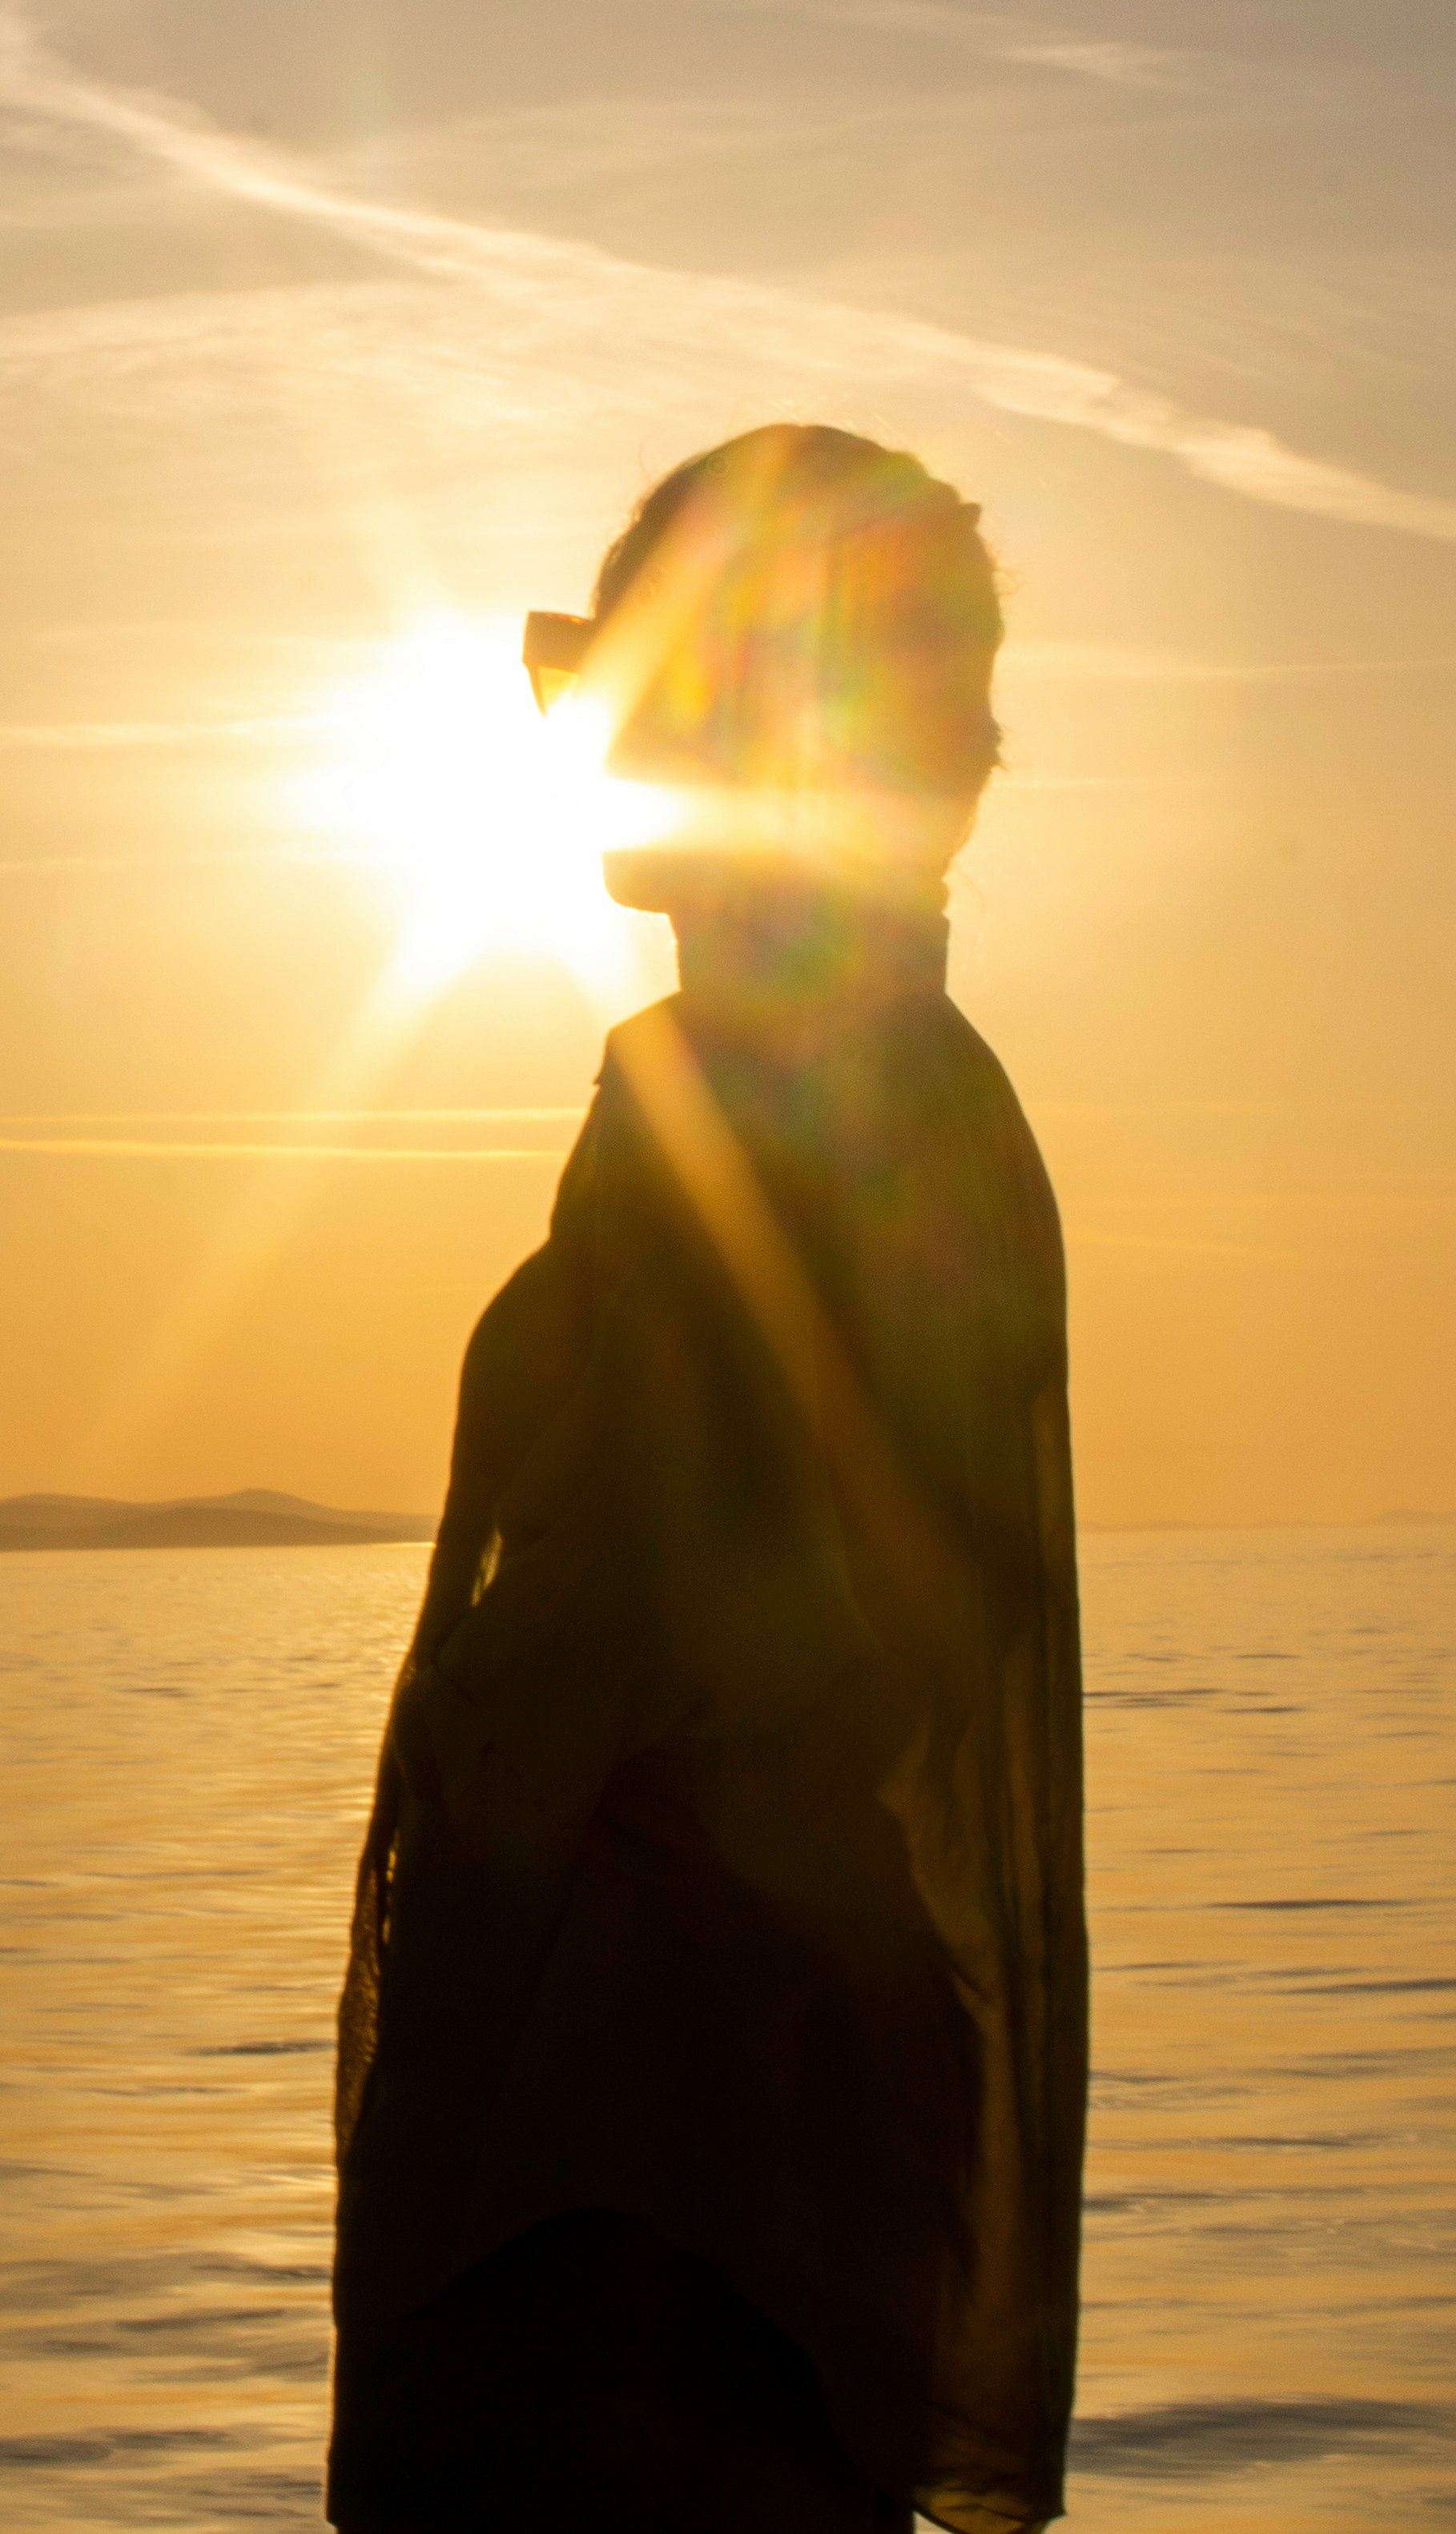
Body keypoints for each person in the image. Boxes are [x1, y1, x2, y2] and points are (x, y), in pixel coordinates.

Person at [328, 425, 1086, 2534]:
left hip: (634, 2148)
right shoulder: (928, 1090)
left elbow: (663, 1630)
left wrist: (485, 1747)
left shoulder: (741, 1105)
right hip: (787, 2127)